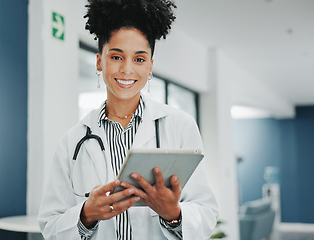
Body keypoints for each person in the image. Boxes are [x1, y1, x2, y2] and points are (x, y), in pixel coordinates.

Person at [38, 0, 218, 239]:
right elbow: (50, 225)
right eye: (116, 57)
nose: (127, 69)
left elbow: (206, 213)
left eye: (139, 59)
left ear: (151, 66)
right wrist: (86, 214)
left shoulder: (180, 126)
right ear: (99, 61)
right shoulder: (72, 140)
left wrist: (173, 213)